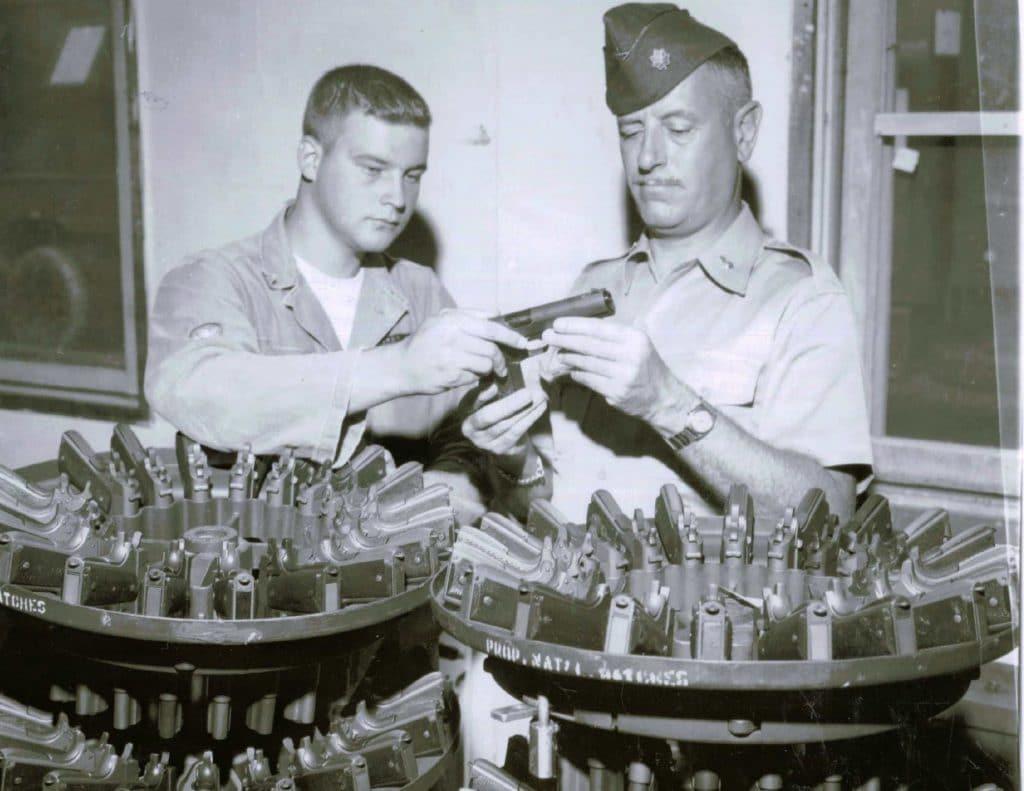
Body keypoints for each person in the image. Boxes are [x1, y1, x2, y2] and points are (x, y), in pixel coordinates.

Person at [477, 4, 873, 523]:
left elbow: (832, 518)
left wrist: (669, 405)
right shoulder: (594, 286)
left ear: (744, 133)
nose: (646, 157)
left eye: (678, 129)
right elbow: (540, 502)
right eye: (630, 130)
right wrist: (512, 458)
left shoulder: (800, 299)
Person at [145, 64, 549, 515]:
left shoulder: (420, 291)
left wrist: (455, 484)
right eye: (373, 169)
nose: (397, 197)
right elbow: (202, 391)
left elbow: (463, 439)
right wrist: (398, 367)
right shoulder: (213, 279)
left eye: (412, 175)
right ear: (310, 158)